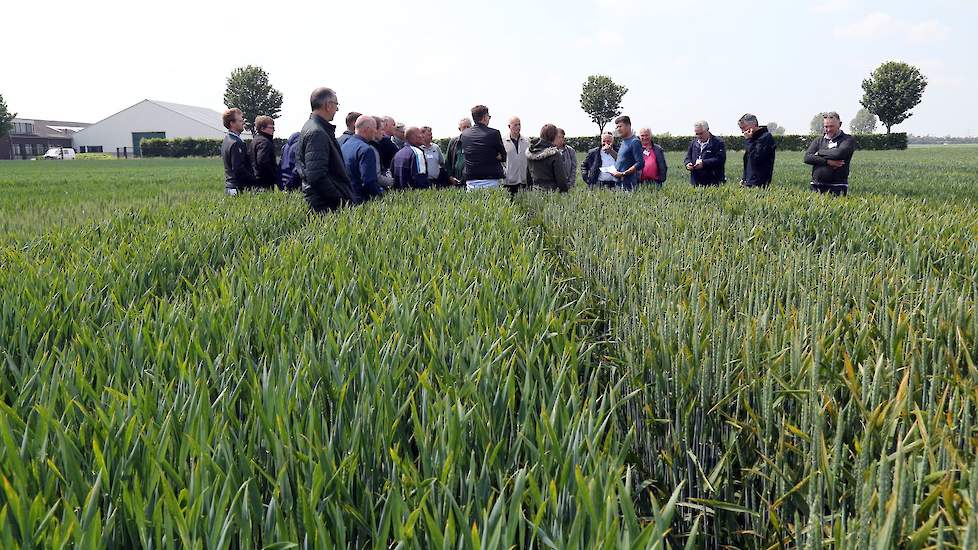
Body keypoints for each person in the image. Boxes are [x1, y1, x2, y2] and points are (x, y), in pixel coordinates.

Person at [296, 87, 357, 213]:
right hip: (325, 207)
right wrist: (341, 200)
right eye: (336, 105)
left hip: (323, 203)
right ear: (328, 105)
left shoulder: (314, 128)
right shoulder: (317, 132)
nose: (337, 109)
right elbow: (317, 176)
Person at [804, 111, 855, 196]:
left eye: (832, 126)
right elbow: (807, 158)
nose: (828, 129)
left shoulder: (848, 140)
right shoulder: (818, 140)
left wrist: (819, 153)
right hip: (817, 186)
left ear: (840, 124)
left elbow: (839, 154)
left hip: (838, 186)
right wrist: (828, 162)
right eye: (826, 126)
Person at [460, 105, 506, 190]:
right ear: (485, 117)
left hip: (471, 181)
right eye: (489, 116)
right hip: (491, 180)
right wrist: (495, 155)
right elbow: (503, 156)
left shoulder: (464, 134)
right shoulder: (494, 133)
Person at [341, 115, 384, 202]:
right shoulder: (366, 149)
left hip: (346, 197)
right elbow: (369, 181)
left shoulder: (345, 145)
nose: (376, 131)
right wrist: (380, 197)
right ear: (367, 129)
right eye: (375, 128)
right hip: (361, 200)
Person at [221, 108, 257, 194]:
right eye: (240, 121)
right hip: (237, 188)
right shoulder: (235, 143)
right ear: (232, 123)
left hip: (230, 187)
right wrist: (255, 180)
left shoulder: (226, 140)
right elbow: (238, 169)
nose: (243, 122)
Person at [526, 123, 569, 192]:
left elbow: (528, 177)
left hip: (535, 193)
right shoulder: (554, 154)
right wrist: (565, 192)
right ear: (554, 136)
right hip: (551, 194)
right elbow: (561, 180)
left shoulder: (531, 152)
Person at [738, 114, 776, 188]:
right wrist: (744, 178)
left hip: (760, 182)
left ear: (753, 124)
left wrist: (749, 140)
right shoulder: (752, 138)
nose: (743, 131)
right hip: (749, 182)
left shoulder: (765, 137)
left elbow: (756, 158)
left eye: (744, 127)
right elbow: (748, 161)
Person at [684, 121, 726, 186]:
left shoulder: (718, 142)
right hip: (695, 182)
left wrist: (704, 163)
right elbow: (688, 158)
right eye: (697, 134)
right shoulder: (693, 143)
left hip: (714, 182)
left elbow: (720, 159)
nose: (699, 136)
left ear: (707, 130)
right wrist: (688, 164)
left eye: (701, 133)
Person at [610, 116, 645, 190]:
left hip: (628, 183)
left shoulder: (634, 142)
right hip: (618, 182)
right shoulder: (623, 142)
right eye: (617, 127)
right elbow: (621, 159)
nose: (618, 129)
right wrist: (610, 151)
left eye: (620, 126)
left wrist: (623, 173)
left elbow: (640, 163)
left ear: (628, 126)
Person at [501, 116, 530, 194]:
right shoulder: (502, 142)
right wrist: (504, 172)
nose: (518, 127)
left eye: (519, 124)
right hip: (508, 182)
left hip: (523, 181)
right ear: (509, 126)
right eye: (515, 125)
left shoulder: (526, 141)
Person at [249, 115, 278, 191]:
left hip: (255, 181)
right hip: (264, 182)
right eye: (271, 128)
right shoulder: (265, 142)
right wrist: (274, 175)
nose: (273, 130)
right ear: (262, 128)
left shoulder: (255, 140)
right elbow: (262, 162)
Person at [445, 118, 471, 187]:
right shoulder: (454, 142)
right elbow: (448, 161)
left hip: (471, 179)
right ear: (460, 129)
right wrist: (450, 177)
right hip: (457, 179)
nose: (466, 129)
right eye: (464, 127)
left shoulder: (475, 141)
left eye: (468, 127)